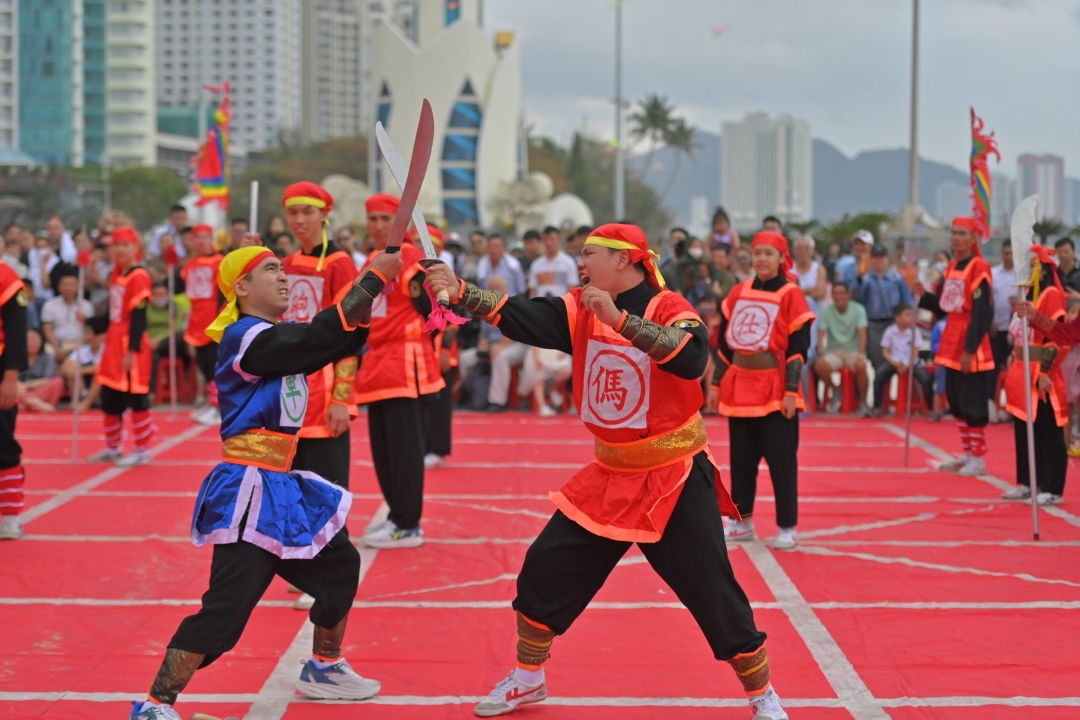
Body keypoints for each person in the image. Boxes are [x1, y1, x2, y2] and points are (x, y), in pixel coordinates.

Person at [425, 223, 789, 720]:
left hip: (674, 477)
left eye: (589, 253)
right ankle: (529, 680)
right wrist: (461, 291)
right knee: (544, 571)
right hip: (610, 476)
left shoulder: (670, 307)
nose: (581, 261)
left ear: (624, 260)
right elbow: (526, 316)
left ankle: (762, 695)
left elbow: (692, 358)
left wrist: (619, 320)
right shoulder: (581, 306)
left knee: (713, 591)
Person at [127, 246, 402, 720]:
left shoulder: (275, 336)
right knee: (226, 611)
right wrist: (372, 278)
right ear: (240, 288)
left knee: (340, 568)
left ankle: (324, 666)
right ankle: (155, 705)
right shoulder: (244, 337)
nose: (283, 277)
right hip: (248, 492)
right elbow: (320, 337)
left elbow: (335, 341)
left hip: (280, 484)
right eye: (269, 270)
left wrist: (369, 292)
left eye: (281, 268)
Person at [710, 231, 814, 551]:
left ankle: (787, 527)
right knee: (741, 459)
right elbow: (725, 344)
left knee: (782, 461)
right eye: (757, 253)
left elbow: (799, 348)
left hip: (775, 384)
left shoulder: (790, 293)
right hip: (740, 384)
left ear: (782, 259)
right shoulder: (738, 292)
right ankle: (742, 521)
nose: (762, 259)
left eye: (769, 253)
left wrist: (790, 391)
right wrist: (716, 383)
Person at [353, 193, 444, 549]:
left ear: (402, 222)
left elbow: (432, 312)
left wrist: (429, 350)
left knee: (405, 451)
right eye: (371, 218)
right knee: (383, 450)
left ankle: (408, 524)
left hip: (406, 365)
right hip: (377, 363)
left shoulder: (408, 258)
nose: (377, 225)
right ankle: (396, 516)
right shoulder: (373, 259)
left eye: (384, 218)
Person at [916, 217, 994, 476]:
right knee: (956, 400)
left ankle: (979, 458)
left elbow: (983, 312)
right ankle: (967, 453)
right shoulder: (950, 267)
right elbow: (941, 306)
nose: (956, 238)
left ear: (972, 239)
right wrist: (922, 294)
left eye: (962, 233)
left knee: (972, 400)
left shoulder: (979, 267)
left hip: (969, 339)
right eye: (954, 233)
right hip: (951, 336)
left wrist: (969, 350)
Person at [1004, 246, 1068, 505]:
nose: (1028, 271)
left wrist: (1044, 372)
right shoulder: (1027, 293)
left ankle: (1052, 487)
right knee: (1023, 428)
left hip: (1041, 371)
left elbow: (1057, 336)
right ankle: (1028, 482)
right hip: (1020, 369)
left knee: (1047, 430)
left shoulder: (1051, 294)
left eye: (1032, 266)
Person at [88, 227, 155, 467]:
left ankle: (141, 449)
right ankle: (112, 447)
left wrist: (131, 351)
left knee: (135, 396)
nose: (120, 249)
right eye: (116, 245)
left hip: (129, 344)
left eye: (125, 245)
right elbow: (112, 313)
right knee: (110, 396)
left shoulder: (139, 276)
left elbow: (138, 318)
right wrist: (88, 322)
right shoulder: (117, 273)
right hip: (113, 343)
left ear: (135, 248)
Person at [423, 224, 460, 470]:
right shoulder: (412, 276)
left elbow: (454, 318)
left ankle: (438, 449)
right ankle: (423, 446)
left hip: (441, 348)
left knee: (440, 402)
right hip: (420, 348)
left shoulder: (444, 276)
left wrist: (446, 351)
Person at [182, 225, 225, 426]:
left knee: (214, 363)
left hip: (212, 319)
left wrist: (220, 319)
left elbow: (222, 293)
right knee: (203, 364)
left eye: (205, 237)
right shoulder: (190, 264)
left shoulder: (219, 261)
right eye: (197, 238)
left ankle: (218, 406)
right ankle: (211, 402)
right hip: (195, 320)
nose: (201, 241)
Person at [851, 244, 913, 370]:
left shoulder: (897, 279)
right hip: (874, 324)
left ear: (887, 259)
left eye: (882, 257)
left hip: (894, 322)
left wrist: (908, 320)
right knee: (877, 359)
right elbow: (857, 298)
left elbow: (907, 301)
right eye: (876, 257)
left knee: (898, 358)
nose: (879, 260)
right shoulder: (866, 279)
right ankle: (880, 388)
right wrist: (859, 279)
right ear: (872, 260)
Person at [0, 261, 28, 540]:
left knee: (3, 442)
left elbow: (17, 331)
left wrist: (10, 377)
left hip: (0, 369)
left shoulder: (6, 277)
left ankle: (10, 515)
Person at [813, 283, 870, 414]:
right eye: (836, 293)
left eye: (842, 293)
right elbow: (821, 334)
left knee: (862, 367)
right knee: (819, 366)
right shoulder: (827, 310)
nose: (839, 296)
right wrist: (820, 355)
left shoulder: (859, 309)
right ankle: (836, 389)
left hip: (853, 351)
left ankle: (864, 402)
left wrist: (860, 356)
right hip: (834, 351)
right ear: (832, 295)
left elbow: (863, 336)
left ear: (848, 294)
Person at [871, 303, 933, 417]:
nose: (911, 318)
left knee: (926, 379)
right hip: (894, 360)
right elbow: (885, 352)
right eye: (907, 315)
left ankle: (931, 408)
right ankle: (877, 407)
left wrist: (909, 364)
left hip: (911, 361)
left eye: (911, 315)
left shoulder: (915, 331)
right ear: (898, 318)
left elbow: (915, 351)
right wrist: (894, 362)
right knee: (879, 376)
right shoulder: (890, 331)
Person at [990, 239, 1019, 423]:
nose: (1008, 256)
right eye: (1006, 253)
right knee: (992, 370)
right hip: (997, 330)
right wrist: (988, 322)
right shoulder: (993, 274)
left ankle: (1014, 411)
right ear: (1002, 254)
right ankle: (991, 409)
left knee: (1015, 372)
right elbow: (987, 301)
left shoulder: (1023, 275)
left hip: (1017, 332)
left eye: (1012, 253)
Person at [41, 271, 93, 362]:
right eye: (65, 284)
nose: (69, 288)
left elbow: (90, 331)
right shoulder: (50, 305)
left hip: (80, 344)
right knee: (48, 353)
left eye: (72, 284)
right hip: (58, 344)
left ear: (78, 287)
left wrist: (76, 348)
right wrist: (57, 348)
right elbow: (47, 329)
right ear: (59, 287)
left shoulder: (86, 306)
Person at [18, 328, 64, 412]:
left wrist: (27, 385)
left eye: (34, 339)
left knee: (58, 381)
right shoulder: (17, 357)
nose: (31, 343)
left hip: (39, 390)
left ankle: (27, 402)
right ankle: (31, 403)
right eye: (28, 339)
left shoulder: (48, 357)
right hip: (19, 390)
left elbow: (47, 379)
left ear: (42, 340)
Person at [529, 226, 579, 298]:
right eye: (545, 239)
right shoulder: (536, 264)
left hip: (561, 306)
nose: (548, 243)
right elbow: (533, 292)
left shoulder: (568, 263)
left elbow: (572, 289)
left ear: (559, 240)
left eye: (552, 239)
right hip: (541, 306)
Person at [927, 317, 948, 422]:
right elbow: (934, 343)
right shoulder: (940, 325)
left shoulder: (968, 322)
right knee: (939, 387)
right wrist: (944, 349)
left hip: (961, 359)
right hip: (944, 360)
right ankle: (935, 411)